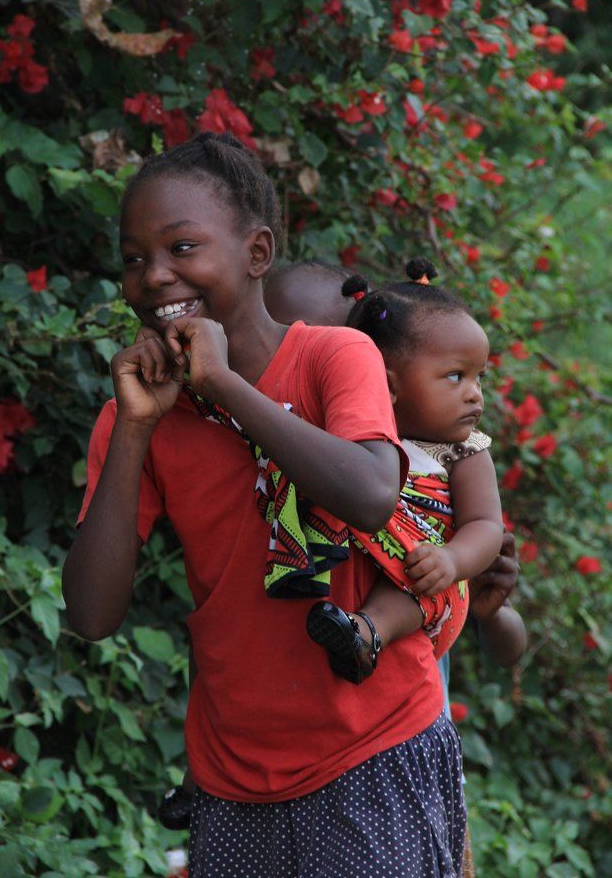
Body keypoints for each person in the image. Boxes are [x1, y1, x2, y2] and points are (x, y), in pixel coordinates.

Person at [63, 133, 467, 878]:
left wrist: (224, 387)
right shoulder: (141, 412)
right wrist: (135, 429)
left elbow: (373, 493)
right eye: (132, 258)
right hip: (231, 778)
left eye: (181, 247)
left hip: (371, 750)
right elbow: (91, 615)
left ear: (256, 253)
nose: (154, 276)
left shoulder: (330, 358)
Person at [268, 258, 504, 685]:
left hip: (433, 590)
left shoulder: (463, 450)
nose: (475, 395)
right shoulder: (353, 437)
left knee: (413, 586)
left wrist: (452, 559)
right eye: (456, 376)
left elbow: (487, 525)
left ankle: (367, 631)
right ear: (388, 386)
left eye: (478, 377)